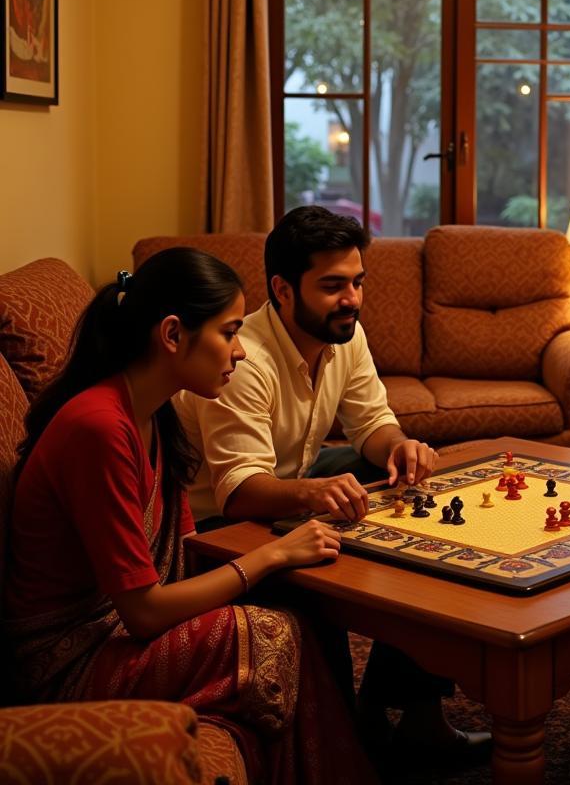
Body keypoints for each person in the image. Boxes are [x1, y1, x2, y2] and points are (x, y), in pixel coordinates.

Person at [4, 248, 376, 784]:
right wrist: (270, 556)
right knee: (271, 635)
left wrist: (278, 568)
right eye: (228, 332)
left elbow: (184, 553)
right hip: (72, 660)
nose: (242, 351)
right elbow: (145, 613)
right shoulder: (99, 428)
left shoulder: (157, 414)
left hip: (118, 629)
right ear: (173, 334)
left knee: (300, 599)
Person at [175, 205, 490, 760]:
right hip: (215, 522)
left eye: (357, 282)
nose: (351, 299)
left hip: (288, 476)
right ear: (283, 289)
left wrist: (399, 448)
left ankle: (418, 715)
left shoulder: (347, 335)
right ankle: (345, 740)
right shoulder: (242, 360)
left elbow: (371, 423)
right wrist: (318, 494)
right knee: (324, 560)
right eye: (332, 286)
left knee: (416, 515)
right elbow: (240, 488)